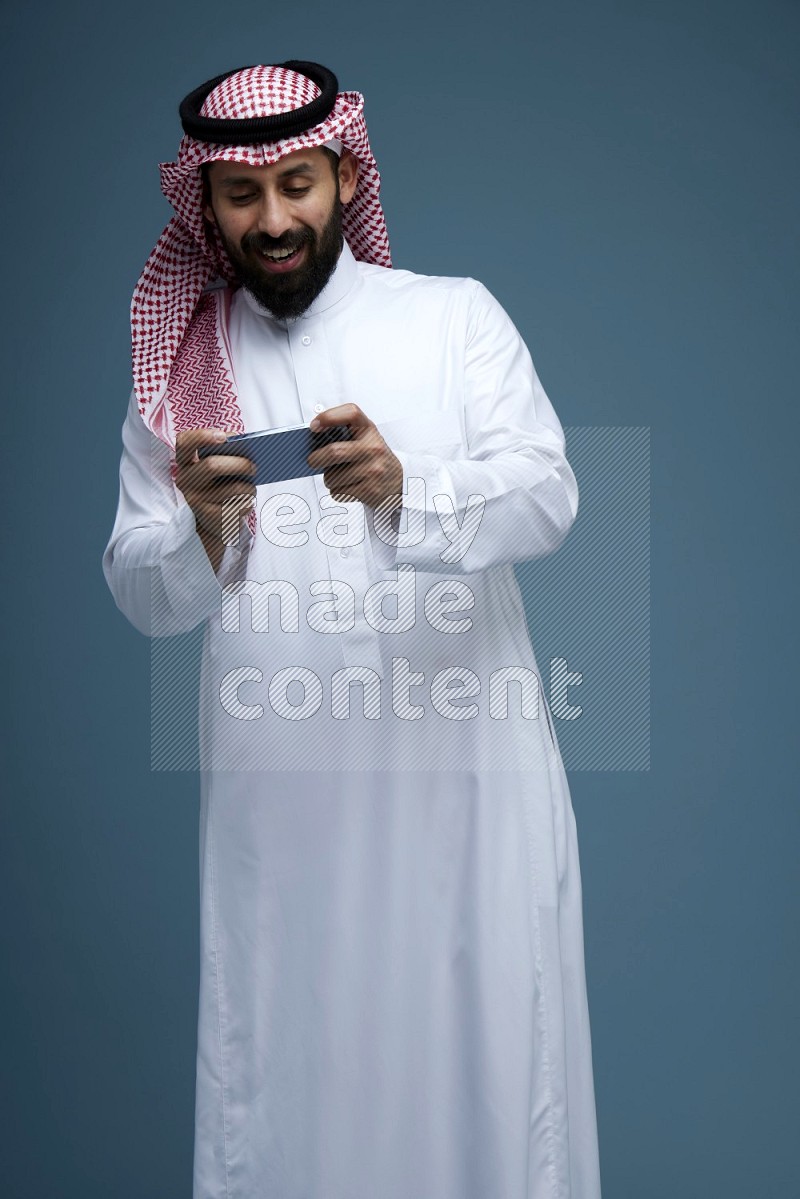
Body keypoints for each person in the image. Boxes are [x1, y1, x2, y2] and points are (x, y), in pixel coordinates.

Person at [104, 60, 602, 1199]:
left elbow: (548, 494)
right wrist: (203, 529)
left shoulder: (450, 318)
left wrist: (401, 488)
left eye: (296, 184)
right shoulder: (185, 373)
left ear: (341, 175)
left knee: (483, 1073)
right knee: (286, 1080)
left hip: (461, 795)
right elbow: (142, 592)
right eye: (242, 194)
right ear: (207, 205)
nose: (273, 219)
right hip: (285, 821)